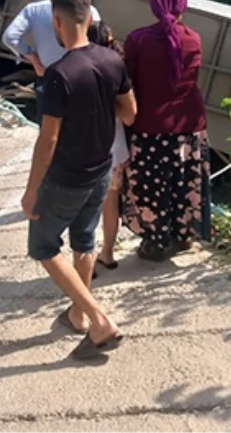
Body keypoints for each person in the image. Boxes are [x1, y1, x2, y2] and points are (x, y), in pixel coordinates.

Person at [21, 0, 136, 359]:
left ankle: (99, 319)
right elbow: (130, 113)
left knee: (43, 247)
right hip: (101, 169)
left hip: (66, 176)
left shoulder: (59, 75)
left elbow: (48, 141)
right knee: (84, 240)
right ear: (88, 19)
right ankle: (78, 316)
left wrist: (31, 189)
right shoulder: (112, 61)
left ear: (58, 21)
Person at [122, 0, 210, 262]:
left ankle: (158, 242)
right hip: (188, 126)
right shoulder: (194, 39)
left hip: (150, 126)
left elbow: (127, 80)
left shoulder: (138, 40)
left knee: (151, 185)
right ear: (182, 7)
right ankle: (184, 236)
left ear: (154, 7)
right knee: (184, 182)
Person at [1, 0, 101, 92]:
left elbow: (9, 37)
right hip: (79, 83)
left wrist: (33, 59)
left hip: (48, 80)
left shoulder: (34, 9)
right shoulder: (90, 12)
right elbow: (98, 46)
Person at [87, 21, 129, 273]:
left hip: (88, 148)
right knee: (110, 203)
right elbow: (129, 114)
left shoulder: (79, 68)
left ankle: (85, 260)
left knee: (84, 208)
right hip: (115, 148)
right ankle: (108, 253)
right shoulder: (118, 69)